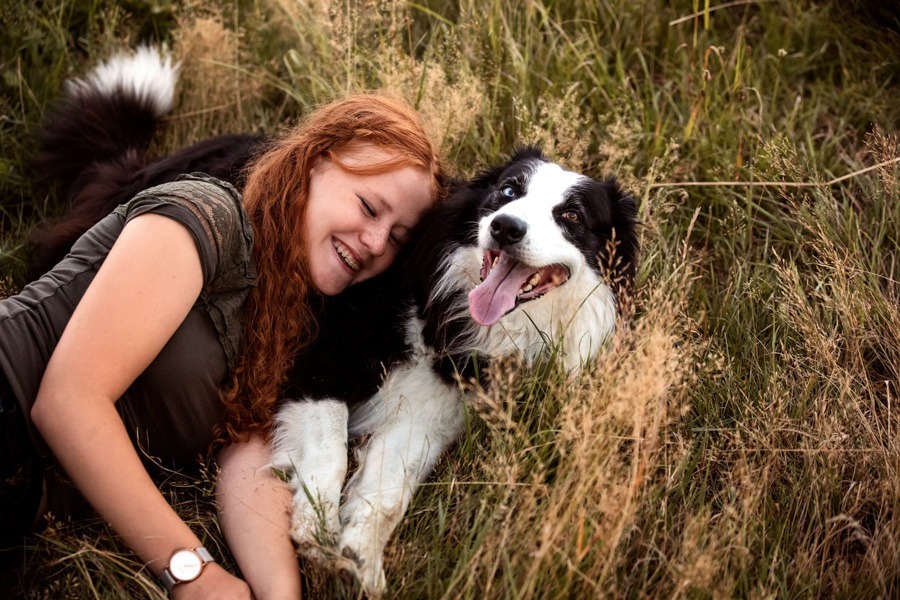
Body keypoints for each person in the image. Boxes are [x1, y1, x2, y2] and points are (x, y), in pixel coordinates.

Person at [0, 93, 444, 599]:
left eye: (397, 239)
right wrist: (194, 574)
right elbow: (68, 402)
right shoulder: (206, 217)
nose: (373, 242)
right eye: (368, 208)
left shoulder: (286, 323)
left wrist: (279, 593)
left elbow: (247, 461)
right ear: (314, 163)